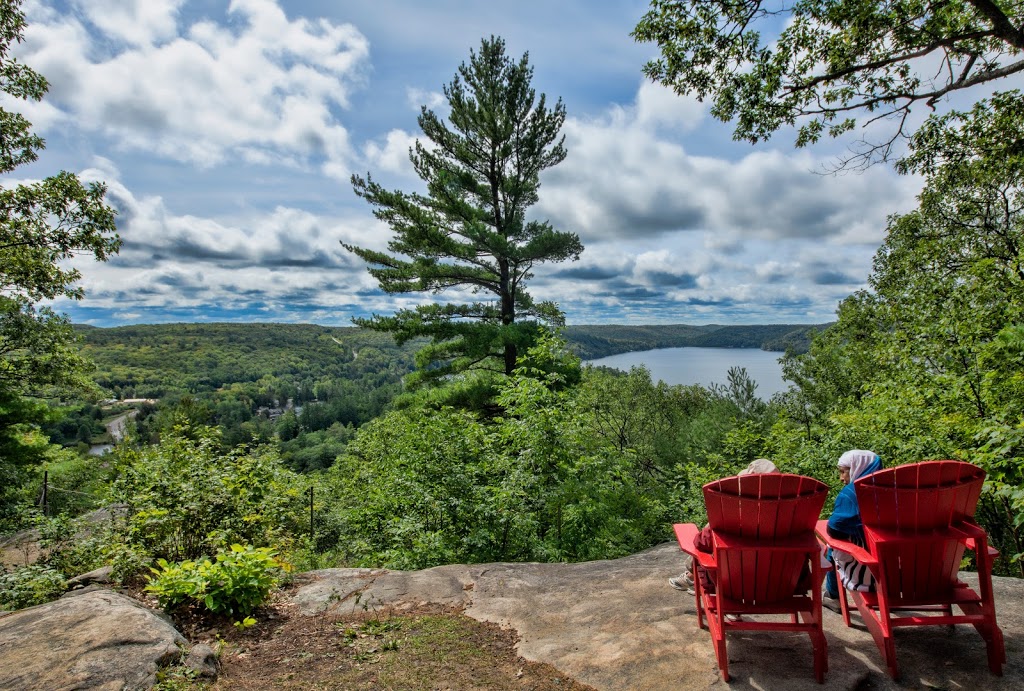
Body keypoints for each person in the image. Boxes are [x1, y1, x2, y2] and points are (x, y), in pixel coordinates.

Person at [669, 458, 779, 598]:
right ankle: (690, 578)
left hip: (733, 585)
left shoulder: (730, 517)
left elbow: (701, 542)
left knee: (708, 544)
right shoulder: (791, 518)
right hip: (780, 586)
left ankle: (691, 577)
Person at [822, 449, 883, 610]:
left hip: (866, 568)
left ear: (857, 467)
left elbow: (835, 529)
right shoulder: (897, 489)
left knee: (832, 545)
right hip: (898, 570)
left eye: (843, 472)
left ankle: (832, 596)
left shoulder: (851, 494)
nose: (841, 478)